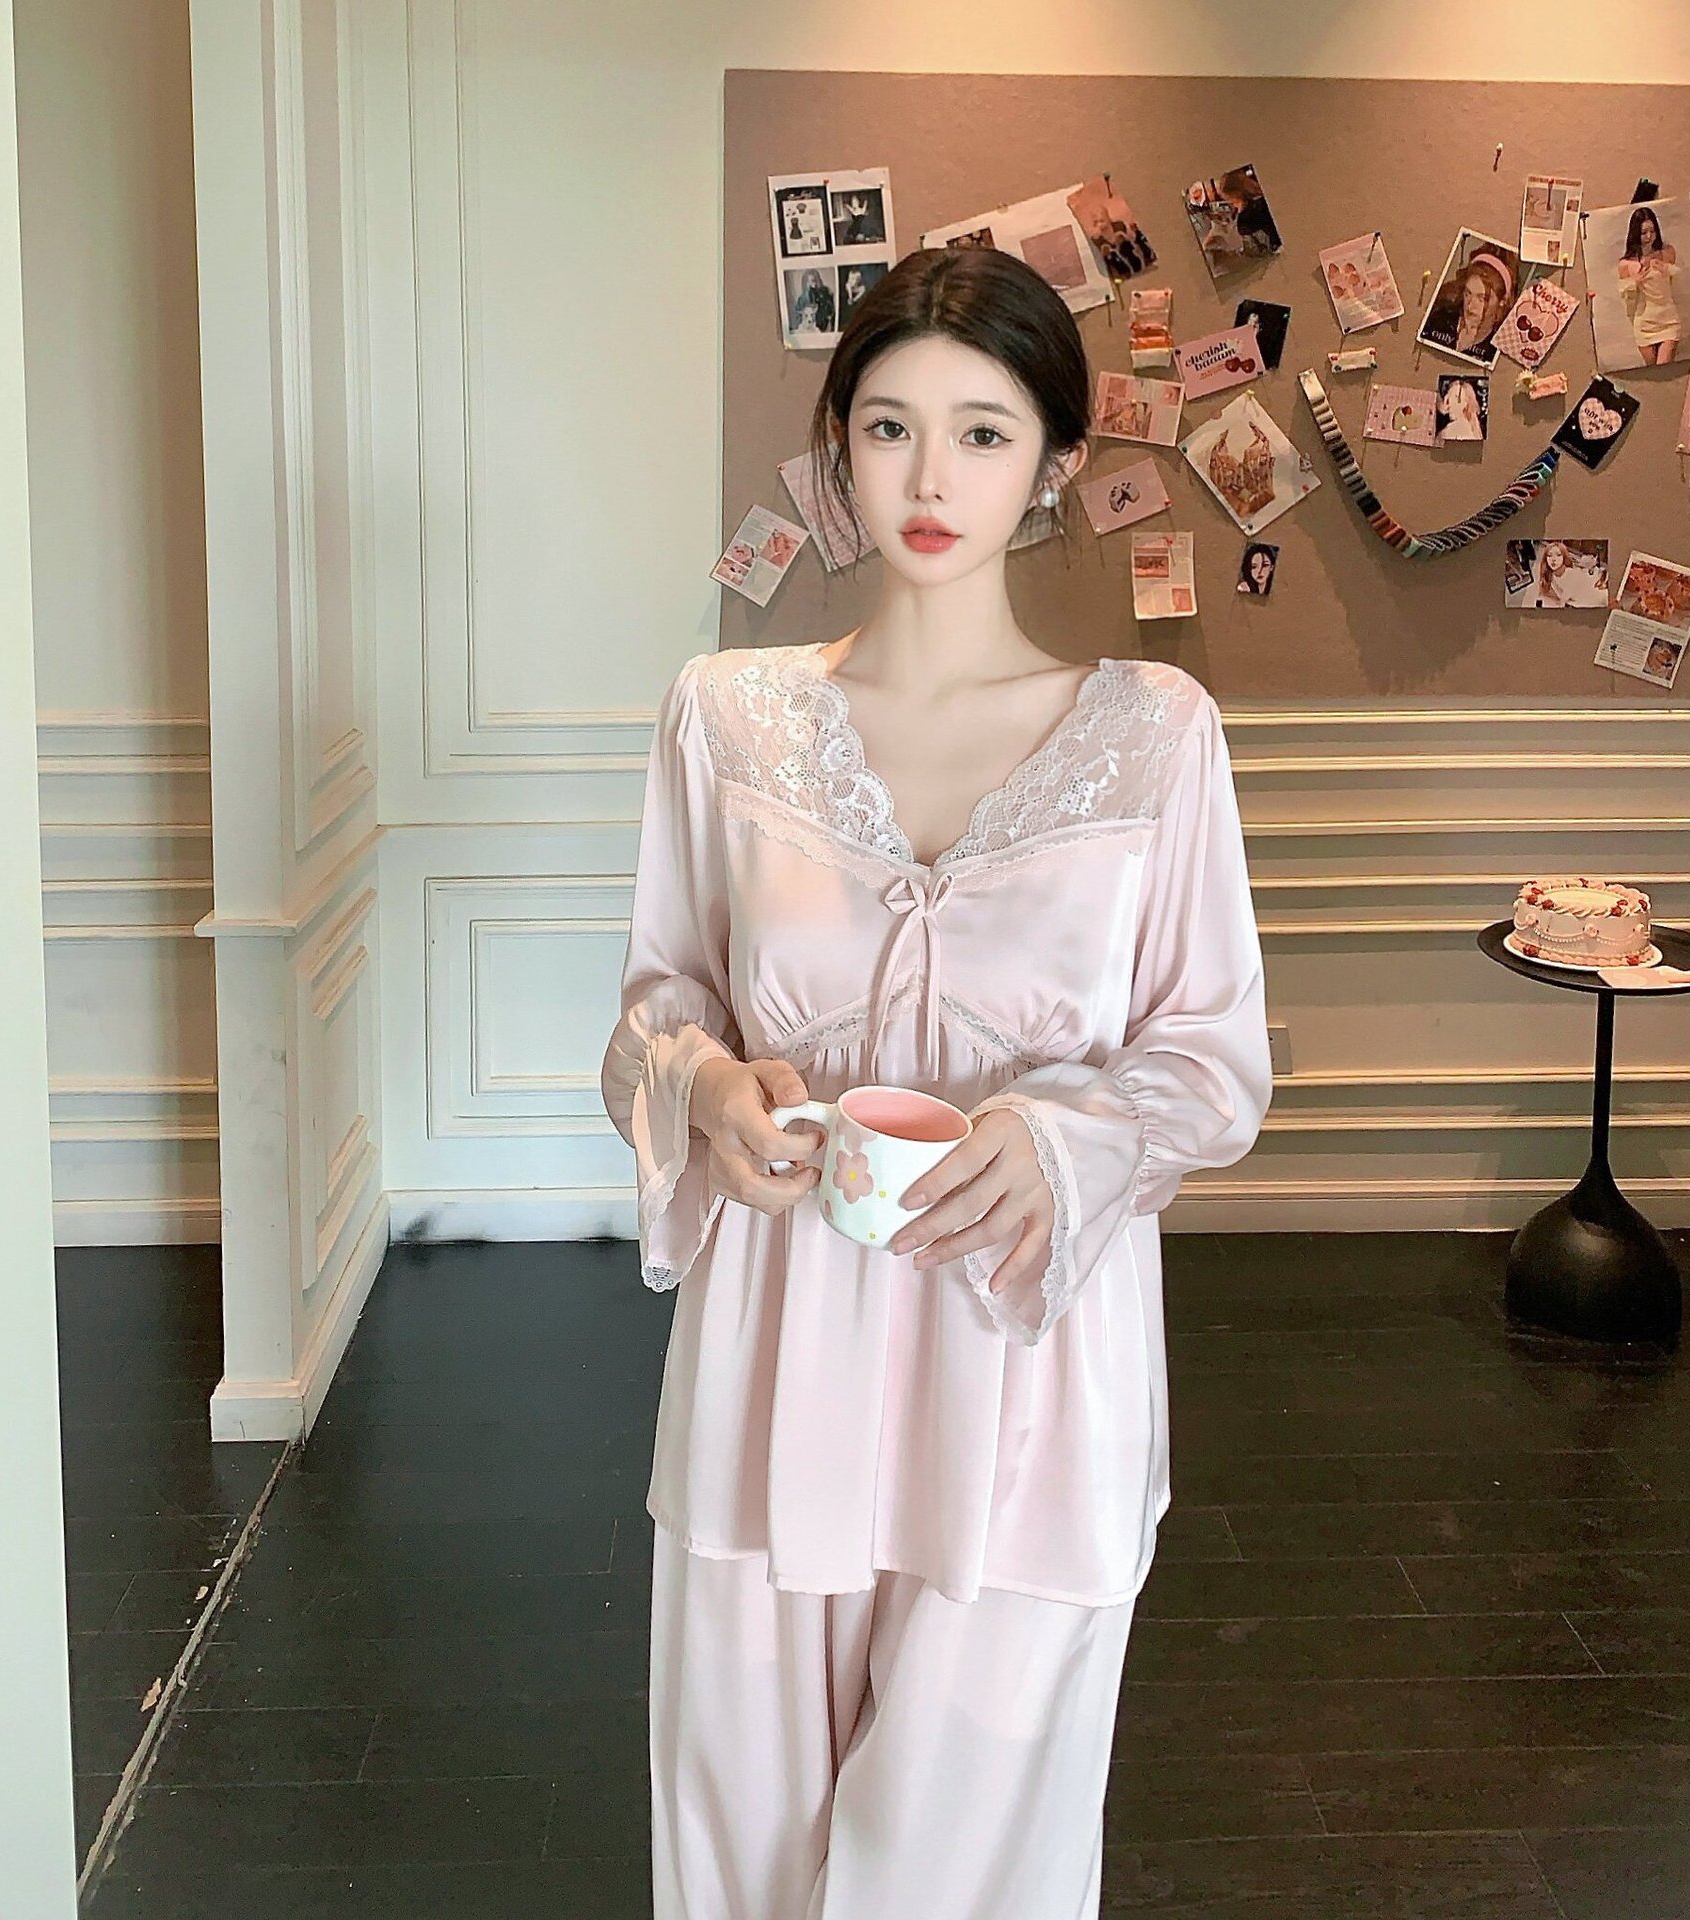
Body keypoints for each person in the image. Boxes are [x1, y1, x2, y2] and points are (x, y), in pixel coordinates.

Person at [601, 245, 1273, 1919]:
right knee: (747, 1844)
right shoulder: (726, 718)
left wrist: (1061, 1136)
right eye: (890, 427)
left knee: (973, 1857)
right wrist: (704, 1087)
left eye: (982, 433)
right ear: (839, 447)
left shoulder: (1156, 733)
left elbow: (1212, 1060)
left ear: (1053, 462)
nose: (928, 477)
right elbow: (654, 1008)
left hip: (1031, 1367)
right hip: (775, 1353)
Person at [1618, 205, 1682, 365]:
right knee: (1652, 371)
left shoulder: (1667, 253)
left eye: (1652, 231)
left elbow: (1676, 283)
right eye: (1644, 233)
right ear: (1635, 234)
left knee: (1664, 367)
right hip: (1644, 323)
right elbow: (1627, 300)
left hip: (1668, 320)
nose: (1649, 236)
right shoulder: (1626, 264)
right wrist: (1635, 281)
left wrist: (1665, 268)